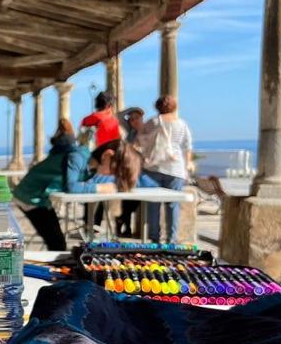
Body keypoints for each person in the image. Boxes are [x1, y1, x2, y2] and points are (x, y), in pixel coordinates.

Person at [12, 120, 122, 251]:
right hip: (30, 196)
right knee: (57, 244)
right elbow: (72, 187)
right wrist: (100, 188)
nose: (113, 173)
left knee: (57, 243)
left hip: (38, 195)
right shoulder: (77, 156)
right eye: (114, 169)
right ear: (107, 155)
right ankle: (53, 270)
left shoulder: (90, 166)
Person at [140, 94, 193, 243]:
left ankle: (154, 239)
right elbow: (187, 145)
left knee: (153, 205)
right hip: (175, 168)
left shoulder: (153, 122)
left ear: (157, 106)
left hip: (153, 167)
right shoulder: (181, 124)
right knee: (173, 205)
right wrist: (188, 163)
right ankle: (171, 239)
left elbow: (141, 139)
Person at [114, 107, 146, 236]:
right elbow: (118, 116)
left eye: (136, 118)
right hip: (131, 170)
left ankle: (121, 220)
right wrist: (132, 110)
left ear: (141, 118)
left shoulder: (147, 130)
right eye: (131, 119)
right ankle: (126, 227)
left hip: (144, 170)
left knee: (135, 200)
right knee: (126, 199)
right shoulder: (130, 133)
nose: (133, 121)